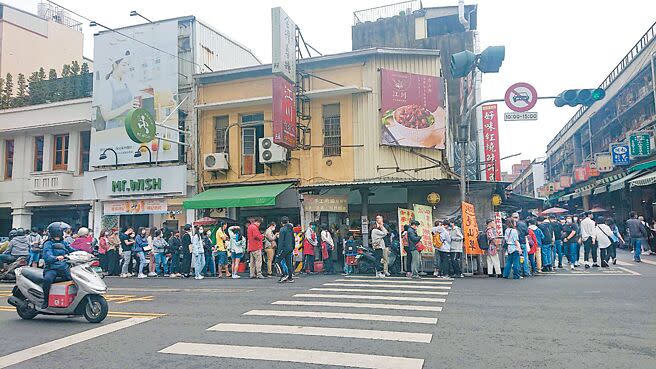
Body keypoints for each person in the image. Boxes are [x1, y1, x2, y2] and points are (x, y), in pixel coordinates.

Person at [41, 222, 76, 309]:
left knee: (75, 280)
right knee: (47, 279)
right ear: (57, 232)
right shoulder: (48, 243)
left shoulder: (63, 242)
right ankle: (45, 300)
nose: (63, 233)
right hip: (52, 268)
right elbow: (47, 256)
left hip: (64, 267)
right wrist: (56, 258)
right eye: (62, 231)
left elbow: (72, 250)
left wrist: (83, 253)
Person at [276, 216, 295, 283]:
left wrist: (278, 251)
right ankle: (290, 277)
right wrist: (293, 247)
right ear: (288, 221)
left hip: (284, 248)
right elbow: (293, 239)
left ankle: (284, 274)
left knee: (277, 261)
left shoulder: (282, 229)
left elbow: (281, 241)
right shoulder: (291, 229)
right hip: (290, 248)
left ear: (281, 222)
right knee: (289, 263)